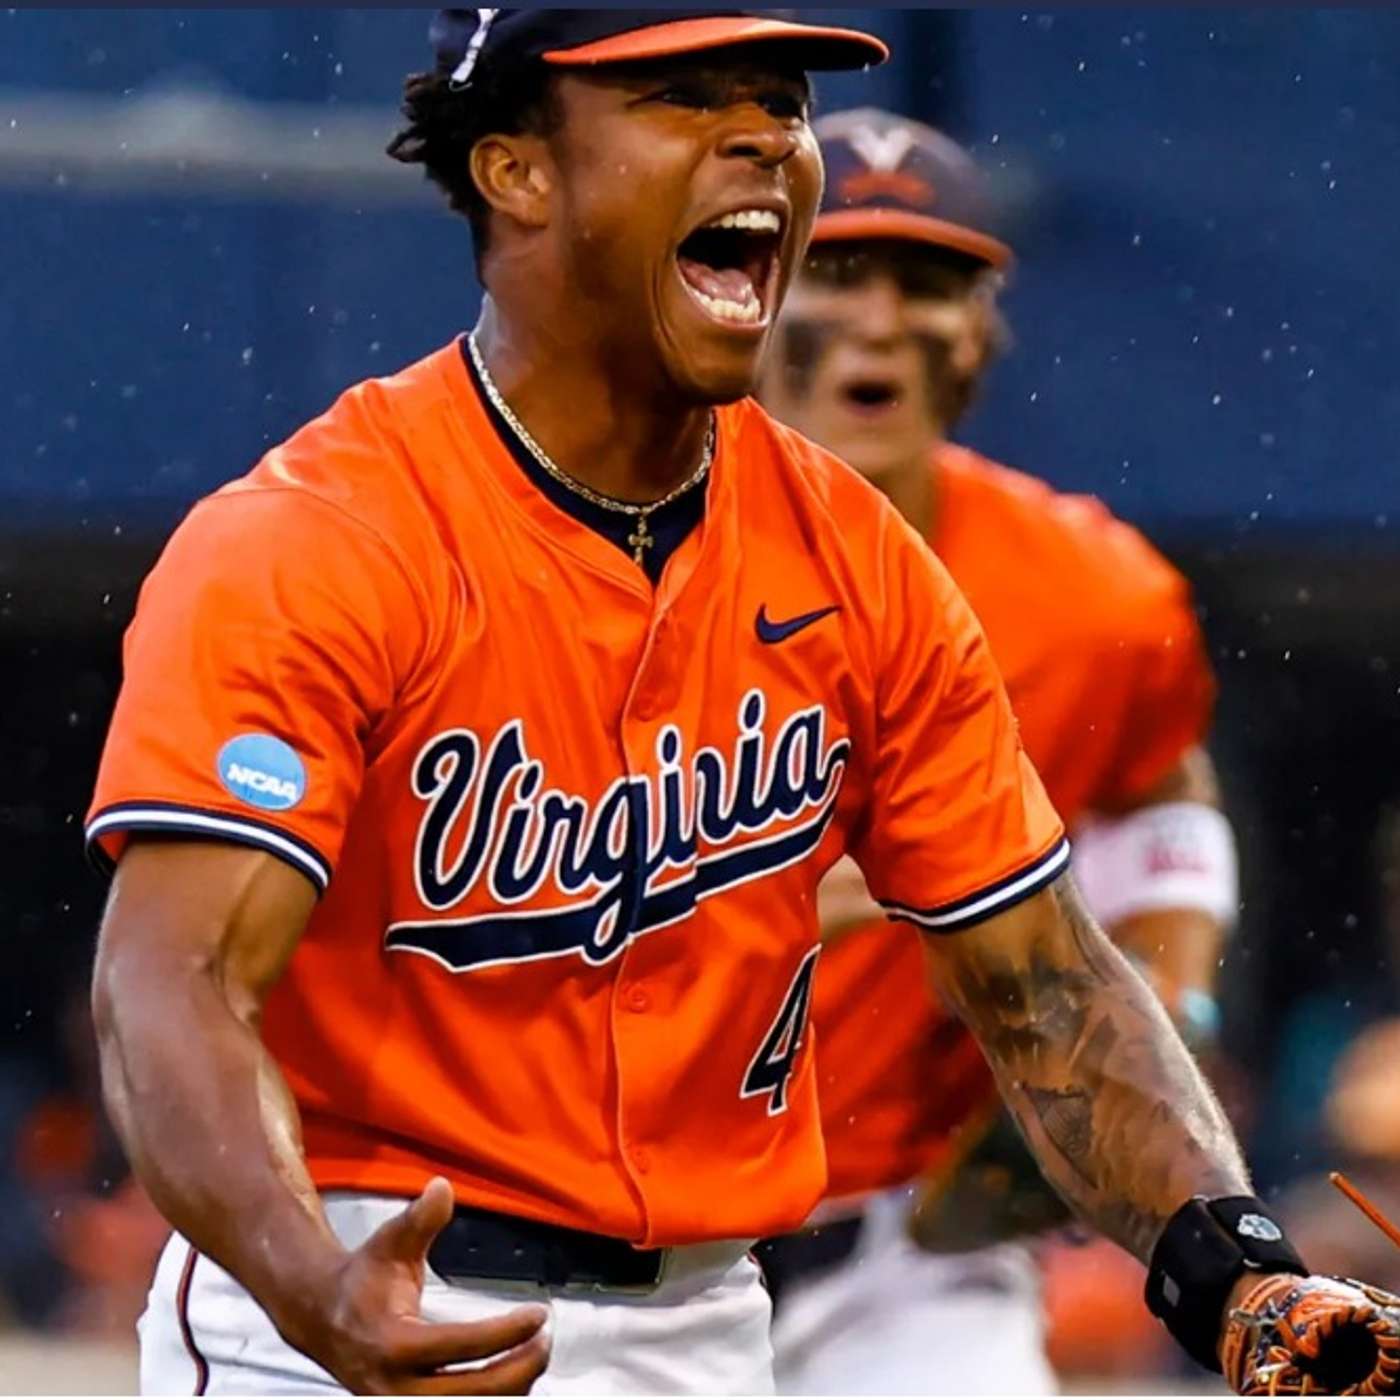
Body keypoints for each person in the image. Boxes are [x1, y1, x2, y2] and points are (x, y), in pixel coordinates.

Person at [85, 13, 1382, 1399]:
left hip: (703, 1318)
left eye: (777, 101)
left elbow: (1045, 982)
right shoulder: (312, 539)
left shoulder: (862, 559)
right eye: (686, 98)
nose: (764, 134)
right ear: (518, 172)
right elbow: (171, 983)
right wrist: (304, 1280)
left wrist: (1233, 1267)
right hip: (358, 1282)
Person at [754, 108, 1237, 1395]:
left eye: (931, 281)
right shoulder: (601, 558)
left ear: (983, 331)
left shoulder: (1092, 591)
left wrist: (1167, 994)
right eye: (838, 269)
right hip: (591, 1228)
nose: (882, 317)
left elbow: (1161, 793)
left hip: (907, 1254)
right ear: (739, 295)